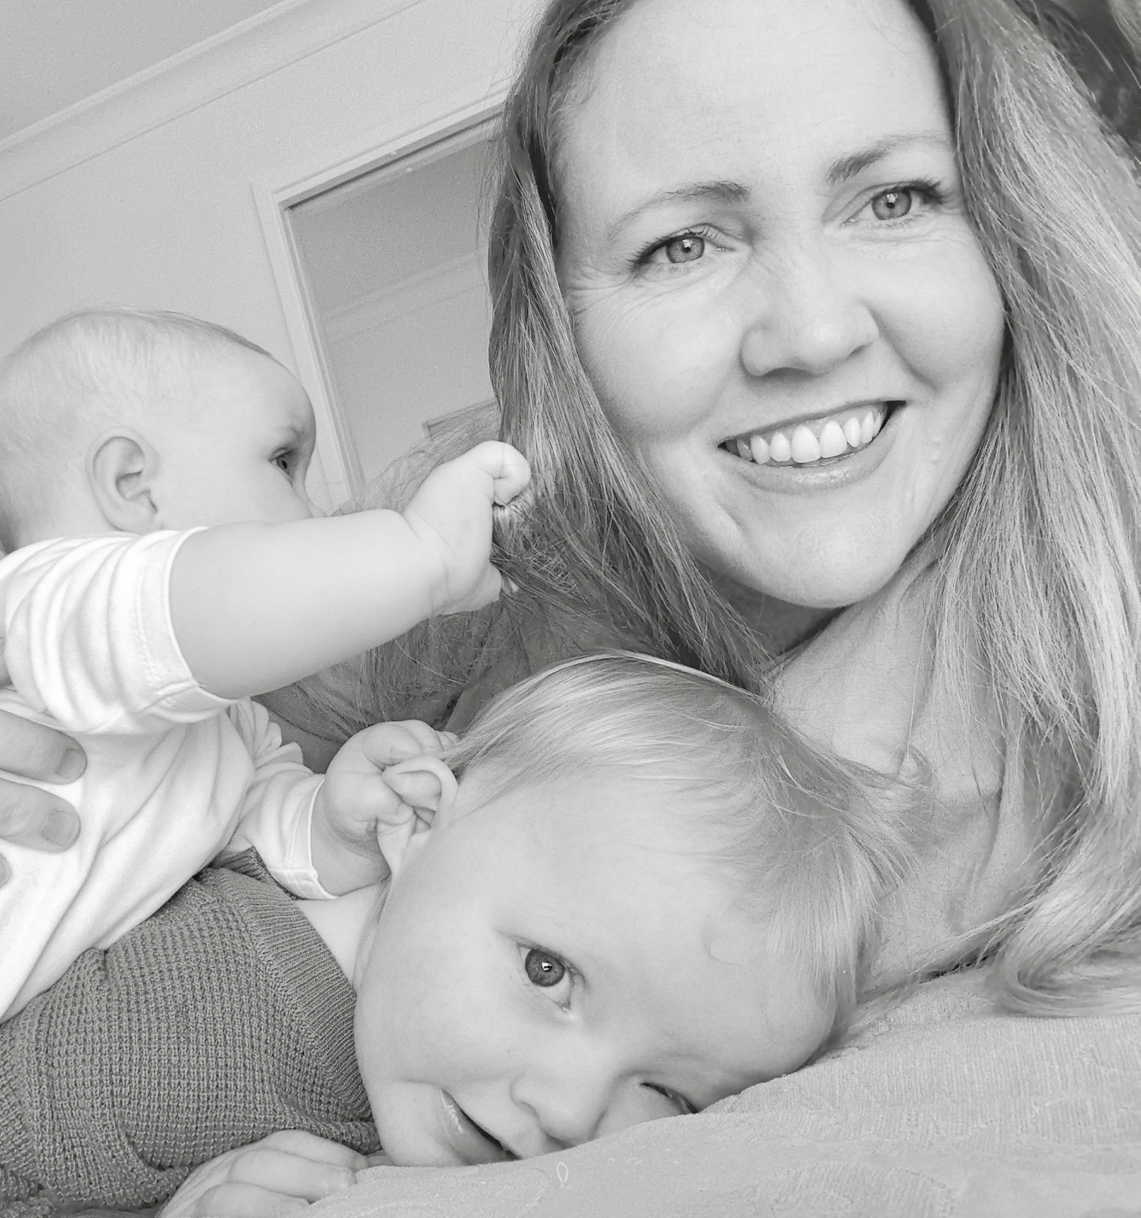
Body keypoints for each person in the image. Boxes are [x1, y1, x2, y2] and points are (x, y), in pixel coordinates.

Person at [252, 0, 1141, 1014]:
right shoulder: (452, 568)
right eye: (682, 246)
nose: (809, 333)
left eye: (891, 199)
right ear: (564, 335)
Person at [0, 652, 915, 1216]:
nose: (566, 1113)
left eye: (670, 1094)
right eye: (548, 971)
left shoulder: (392, 1157)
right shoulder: (191, 902)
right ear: (416, 821)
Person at [0, 306, 529, 1020]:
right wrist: (420, 552)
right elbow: (212, 604)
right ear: (132, 484)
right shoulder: (48, 606)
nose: (312, 514)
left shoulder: (227, 726)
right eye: (283, 463)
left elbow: (257, 834)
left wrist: (337, 823)